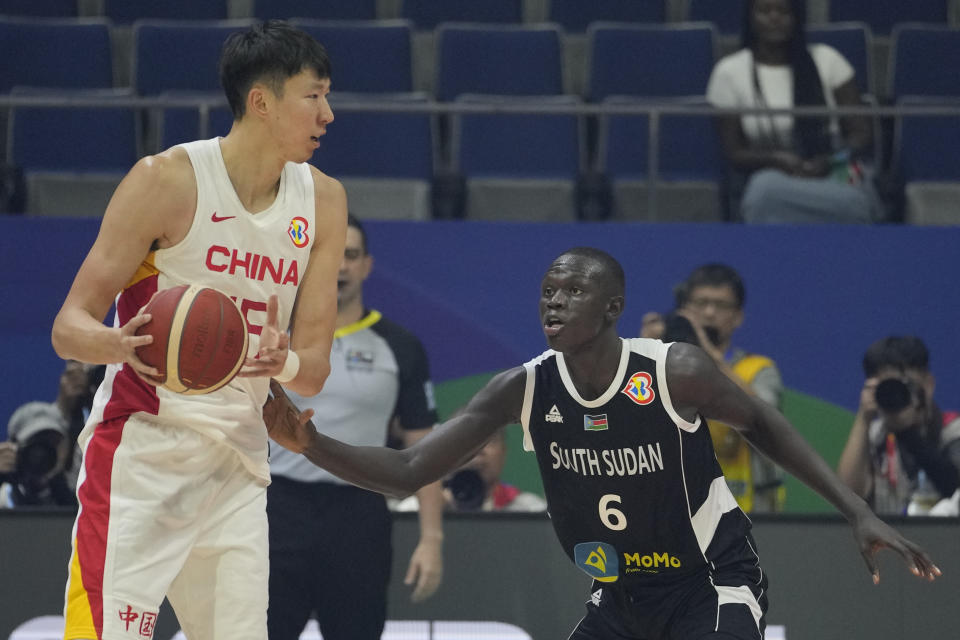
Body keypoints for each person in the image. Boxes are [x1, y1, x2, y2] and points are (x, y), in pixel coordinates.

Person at [265, 247, 940, 640]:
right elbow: (409, 470)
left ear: (612, 307)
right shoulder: (521, 388)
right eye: (547, 291)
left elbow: (764, 425)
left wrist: (856, 507)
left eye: (574, 290)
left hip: (711, 582)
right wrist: (311, 443)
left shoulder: (673, 370)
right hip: (619, 593)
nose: (554, 302)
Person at [49, 20, 346, 640]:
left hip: (238, 466)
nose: (329, 114)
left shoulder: (323, 200)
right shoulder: (166, 179)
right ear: (261, 101)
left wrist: (282, 360)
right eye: (313, 96)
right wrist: (116, 343)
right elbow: (68, 327)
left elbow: (313, 369)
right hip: (141, 454)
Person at [267, 214, 443, 640]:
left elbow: (425, 450)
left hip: (359, 515)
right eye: (333, 256)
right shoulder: (275, 337)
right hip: (276, 508)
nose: (342, 267)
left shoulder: (400, 346)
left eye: (352, 255)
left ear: (367, 265)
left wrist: (432, 539)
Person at [706, 0, 881, 223]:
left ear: (797, 17)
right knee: (763, 192)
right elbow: (734, 152)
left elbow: (861, 134)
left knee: (858, 201)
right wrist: (778, 160)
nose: (774, 18)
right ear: (750, 18)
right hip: (772, 173)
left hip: (833, 168)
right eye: (764, 11)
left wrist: (829, 160)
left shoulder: (828, 60)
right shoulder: (729, 72)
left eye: (783, 11)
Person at [679, 264, 786, 513]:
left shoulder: (759, 369)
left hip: (753, 516)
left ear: (738, 316)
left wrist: (712, 358)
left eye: (720, 305)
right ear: (685, 309)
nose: (708, 313)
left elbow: (765, 420)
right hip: (685, 511)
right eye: (701, 303)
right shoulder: (666, 365)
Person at [838, 336, 960, 516]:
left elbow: (953, 487)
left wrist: (909, 434)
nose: (897, 394)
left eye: (904, 386)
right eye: (888, 386)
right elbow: (846, 498)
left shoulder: (954, 432)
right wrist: (863, 419)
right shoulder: (874, 436)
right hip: (889, 541)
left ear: (928, 384)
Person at [394, 427, 548, 512]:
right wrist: (435, 512)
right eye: (464, 442)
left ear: (504, 452)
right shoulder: (415, 511)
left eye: (489, 441)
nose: (477, 450)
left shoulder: (530, 510)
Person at [0, 402, 76, 508]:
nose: (42, 455)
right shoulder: (4, 496)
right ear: (14, 447)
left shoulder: (82, 492)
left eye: (53, 442)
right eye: (35, 443)